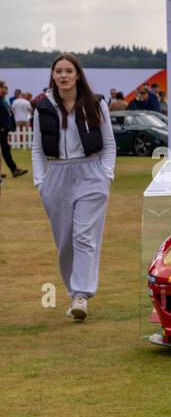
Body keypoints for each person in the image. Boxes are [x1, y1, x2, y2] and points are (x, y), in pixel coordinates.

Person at [31, 53, 116, 321]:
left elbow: (109, 143)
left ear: (78, 74)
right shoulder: (42, 106)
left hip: (90, 173)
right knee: (65, 241)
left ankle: (82, 294)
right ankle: (73, 291)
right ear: (53, 75)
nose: (64, 75)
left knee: (84, 236)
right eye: (59, 71)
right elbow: (35, 148)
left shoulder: (95, 103)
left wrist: (106, 174)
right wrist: (40, 181)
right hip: (55, 176)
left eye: (69, 70)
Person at [0, 80, 27, 179]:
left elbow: (8, 113)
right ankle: (14, 170)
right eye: (5, 87)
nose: (7, 89)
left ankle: (14, 169)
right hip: (1, 129)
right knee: (5, 150)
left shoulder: (3, 99)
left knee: (6, 150)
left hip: (4, 129)